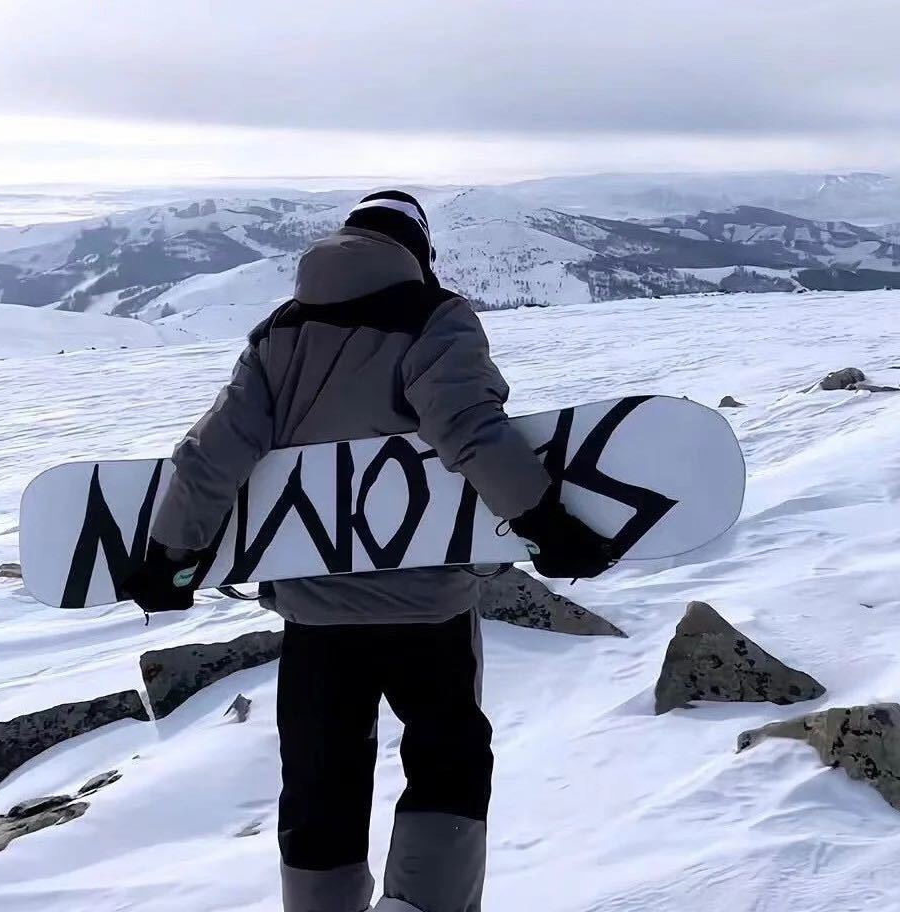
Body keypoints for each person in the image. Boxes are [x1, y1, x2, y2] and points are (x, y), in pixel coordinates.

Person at [124, 191, 616, 912]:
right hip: (428, 607)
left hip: (316, 615)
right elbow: (470, 430)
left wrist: (169, 552)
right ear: (417, 249)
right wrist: (546, 519)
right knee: (448, 760)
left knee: (321, 780)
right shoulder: (433, 317)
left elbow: (214, 455)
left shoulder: (279, 334)